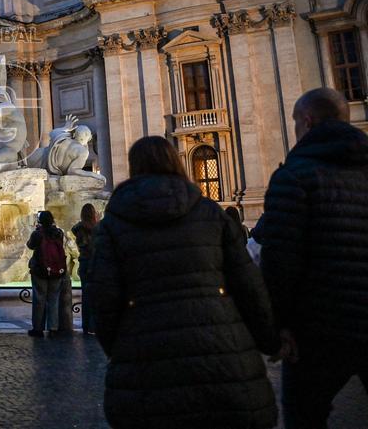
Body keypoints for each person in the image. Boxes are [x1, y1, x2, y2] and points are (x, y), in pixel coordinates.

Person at [90, 136, 279, 429]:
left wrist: (119, 348)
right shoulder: (210, 213)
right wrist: (270, 340)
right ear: (175, 162)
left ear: (133, 167)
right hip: (222, 351)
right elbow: (248, 286)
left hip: (145, 354)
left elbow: (104, 299)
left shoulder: (113, 224)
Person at [260, 88, 368, 428]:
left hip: (320, 327)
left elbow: (281, 261)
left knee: (305, 415)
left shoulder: (294, 176)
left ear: (306, 121)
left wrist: (277, 327)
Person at [26, 211, 66, 337]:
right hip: (57, 270)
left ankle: (38, 328)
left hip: (40, 270)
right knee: (54, 299)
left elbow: (30, 245)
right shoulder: (59, 233)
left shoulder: (37, 234)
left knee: (39, 299)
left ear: (40, 221)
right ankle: (53, 328)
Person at [70, 203, 98, 335]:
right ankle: (94, 325)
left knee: (86, 295)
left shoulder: (78, 229)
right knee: (95, 296)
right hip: (96, 264)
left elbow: (75, 231)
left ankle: (86, 325)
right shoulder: (98, 228)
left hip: (84, 263)